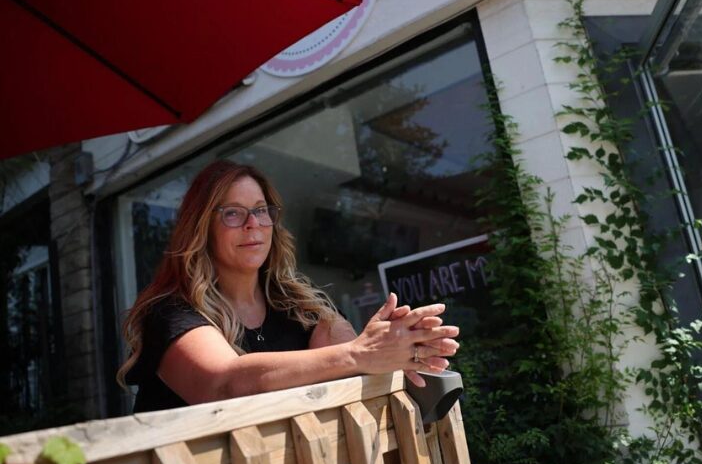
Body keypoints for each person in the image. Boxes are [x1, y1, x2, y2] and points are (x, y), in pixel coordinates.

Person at [117, 160, 459, 415]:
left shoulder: (302, 308)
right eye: (233, 214)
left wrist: (395, 346)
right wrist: (359, 354)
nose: (253, 224)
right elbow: (223, 385)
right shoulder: (169, 312)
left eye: (261, 211)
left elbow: (348, 357)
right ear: (201, 227)